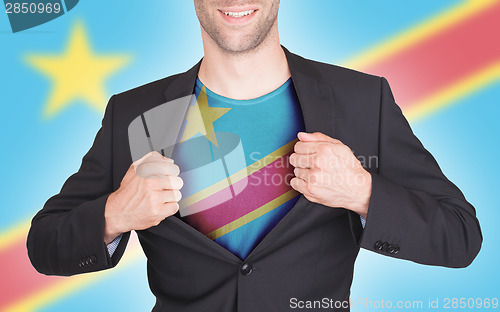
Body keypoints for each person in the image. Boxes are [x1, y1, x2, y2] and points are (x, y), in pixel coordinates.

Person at [27, 1, 482, 311]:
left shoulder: (362, 100)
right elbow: (44, 246)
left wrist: (363, 192)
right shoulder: (135, 113)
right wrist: (114, 214)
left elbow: (460, 236)